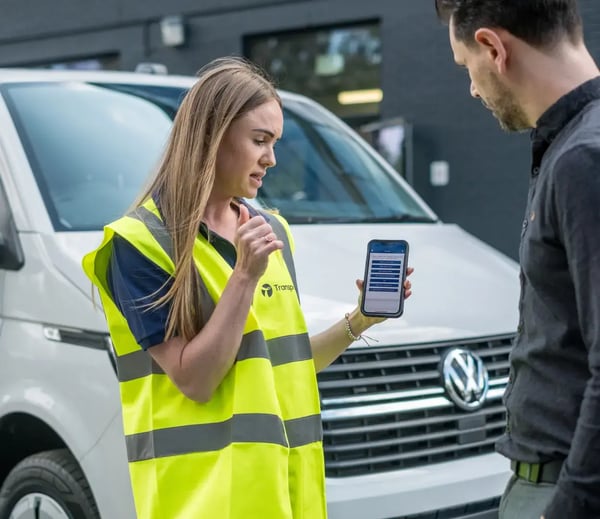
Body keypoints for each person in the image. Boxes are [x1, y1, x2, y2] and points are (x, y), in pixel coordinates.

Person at [82, 56, 412, 519]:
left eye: (275, 142)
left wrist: (359, 321)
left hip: (287, 494)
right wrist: (244, 276)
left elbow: (284, 363)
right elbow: (195, 381)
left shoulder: (271, 230)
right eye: (259, 140)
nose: (271, 159)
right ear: (211, 137)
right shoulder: (139, 245)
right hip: (202, 502)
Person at [435, 1, 600, 518]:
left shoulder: (582, 160)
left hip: (565, 487)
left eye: (467, 68)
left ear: (493, 47)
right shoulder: (574, 146)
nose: (472, 89)